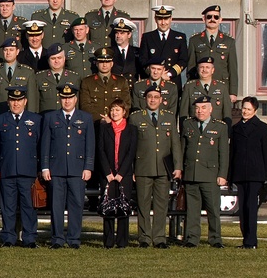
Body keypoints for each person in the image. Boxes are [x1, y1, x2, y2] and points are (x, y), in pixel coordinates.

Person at [40, 83, 95, 249]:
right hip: (56, 168)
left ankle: (74, 239)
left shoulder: (85, 118)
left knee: (77, 205)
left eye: (70, 98)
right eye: (64, 98)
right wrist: (45, 167)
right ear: (60, 99)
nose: (67, 101)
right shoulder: (51, 117)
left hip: (78, 169)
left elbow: (90, 144)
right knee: (56, 206)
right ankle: (57, 238)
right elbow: (45, 143)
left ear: (76, 99)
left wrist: (88, 166)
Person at [129, 85, 182, 249]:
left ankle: (159, 238)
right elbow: (130, 146)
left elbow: (175, 144)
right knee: (143, 204)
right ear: (145, 99)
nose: (153, 100)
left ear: (161, 100)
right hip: (143, 167)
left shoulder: (169, 117)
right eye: (150, 96)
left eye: (156, 97)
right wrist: (131, 168)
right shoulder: (136, 117)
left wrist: (178, 166)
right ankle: (144, 237)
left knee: (161, 204)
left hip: (163, 168)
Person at [0, 87, 41, 248]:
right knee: (8, 207)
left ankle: (30, 238)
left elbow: (40, 146)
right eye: (13, 100)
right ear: (8, 102)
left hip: (28, 170)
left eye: (19, 100)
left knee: (29, 206)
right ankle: (8, 237)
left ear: (25, 101)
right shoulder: (0, 120)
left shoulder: (35, 120)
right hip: (7, 169)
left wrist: (40, 168)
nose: (16, 104)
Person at [180, 95, 229, 248]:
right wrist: (180, 170)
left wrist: (222, 174)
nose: (200, 111)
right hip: (191, 173)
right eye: (197, 108)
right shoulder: (188, 124)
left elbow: (224, 153)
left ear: (210, 109)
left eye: (203, 108)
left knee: (213, 209)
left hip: (210, 174)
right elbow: (182, 149)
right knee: (192, 210)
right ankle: (192, 238)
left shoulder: (220, 127)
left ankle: (215, 239)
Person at [229, 97, 267, 249]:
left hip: (256, 175)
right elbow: (232, 153)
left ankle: (251, 241)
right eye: (244, 108)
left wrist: (266, 176)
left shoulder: (262, 128)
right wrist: (230, 176)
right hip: (240, 174)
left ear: (255, 110)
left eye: (248, 109)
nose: (245, 111)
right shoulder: (235, 129)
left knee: (251, 207)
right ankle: (245, 239)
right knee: (242, 209)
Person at [97, 99, 137, 248]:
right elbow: (100, 150)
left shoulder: (132, 130)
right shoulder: (105, 128)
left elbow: (130, 152)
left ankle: (122, 241)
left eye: (118, 110)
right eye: (112, 110)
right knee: (108, 206)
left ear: (124, 112)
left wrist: (121, 173)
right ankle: (108, 241)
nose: (114, 113)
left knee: (123, 206)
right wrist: (108, 172)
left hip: (123, 174)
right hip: (107, 173)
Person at [186, 4, 238, 104]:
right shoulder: (195, 40)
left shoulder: (229, 41)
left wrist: (233, 92)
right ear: (203, 19)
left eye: (216, 17)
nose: (212, 19)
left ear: (220, 20)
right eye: (209, 17)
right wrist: (191, 88)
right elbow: (191, 67)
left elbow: (233, 68)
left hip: (222, 88)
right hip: (200, 88)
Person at [138, 5, 187, 87]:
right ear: (155, 19)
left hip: (172, 82)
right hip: (152, 82)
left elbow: (183, 60)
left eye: (166, 19)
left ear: (171, 19)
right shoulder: (148, 37)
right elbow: (143, 60)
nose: (163, 23)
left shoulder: (180, 37)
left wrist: (169, 74)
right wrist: (156, 74)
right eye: (160, 19)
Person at [78, 46, 131, 122]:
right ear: (96, 63)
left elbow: (126, 104)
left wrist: (114, 119)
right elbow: (85, 106)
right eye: (101, 62)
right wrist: (101, 119)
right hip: (95, 123)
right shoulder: (87, 82)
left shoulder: (121, 81)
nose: (104, 65)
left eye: (107, 62)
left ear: (112, 64)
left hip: (116, 124)